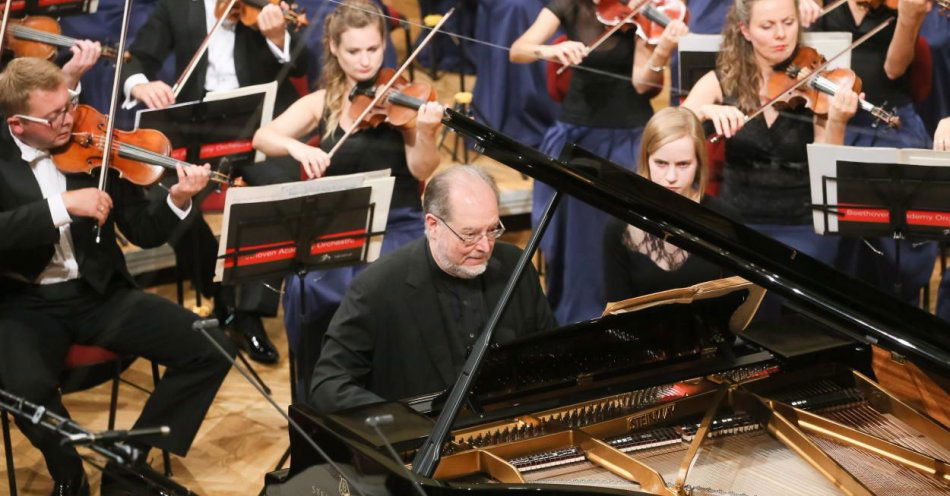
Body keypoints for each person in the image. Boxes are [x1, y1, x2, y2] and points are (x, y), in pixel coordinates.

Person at [0, 57, 234, 496]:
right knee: (26, 390)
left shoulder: (94, 145)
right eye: (53, 117)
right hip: (23, 303)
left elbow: (143, 232)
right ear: (17, 123)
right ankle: (69, 474)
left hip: (98, 293)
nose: (69, 121)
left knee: (212, 348)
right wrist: (61, 208)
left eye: (68, 106)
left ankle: (129, 462)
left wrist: (178, 199)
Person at [252, 0, 443, 397]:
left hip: (398, 226)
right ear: (335, 50)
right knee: (307, 290)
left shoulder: (402, 99)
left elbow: (422, 170)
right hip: (340, 230)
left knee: (384, 293)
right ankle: (324, 399)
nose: (364, 61)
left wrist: (425, 133)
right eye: (353, 51)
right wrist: (297, 148)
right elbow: (263, 138)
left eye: (373, 49)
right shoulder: (323, 103)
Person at [119, 0, 314, 364]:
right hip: (200, 129)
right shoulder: (175, 7)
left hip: (262, 126)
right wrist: (141, 86)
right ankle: (221, 293)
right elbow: (138, 59)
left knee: (279, 192)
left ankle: (249, 314)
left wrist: (277, 37)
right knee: (167, 200)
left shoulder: (266, 5)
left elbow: (302, 62)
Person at [309, 166, 557, 413]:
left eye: (492, 230)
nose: (484, 246)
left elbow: (550, 352)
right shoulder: (377, 287)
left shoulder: (515, 265)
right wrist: (400, 420)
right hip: (420, 440)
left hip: (507, 426)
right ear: (433, 225)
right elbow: (329, 385)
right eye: (469, 234)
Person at [509, 0, 690, 325]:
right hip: (575, 139)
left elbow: (642, 84)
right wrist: (548, 52)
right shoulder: (570, 5)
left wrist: (662, 50)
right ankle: (575, 321)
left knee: (626, 240)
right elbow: (518, 50)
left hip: (628, 141)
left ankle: (628, 320)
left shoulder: (644, 9)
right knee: (575, 245)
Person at [681, 0, 859, 268]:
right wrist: (705, 112)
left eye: (788, 23)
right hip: (736, 223)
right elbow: (674, 131)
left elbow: (828, 167)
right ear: (745, 30)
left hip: (802, 224)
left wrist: (837, 121)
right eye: (767, 26)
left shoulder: (816, 81)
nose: (781, 34)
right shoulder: (722, 81)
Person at [811, 0, 935, 306]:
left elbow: (894, 69)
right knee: (829, 207)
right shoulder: (821, 9)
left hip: (890, 123)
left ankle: (895, 306)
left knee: (895, 209)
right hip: (828, 119)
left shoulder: (898, 9)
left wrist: (908, 18)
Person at [603, 107, 729, 303]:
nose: (671, 177)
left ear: (699, 164)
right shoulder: (619, 226)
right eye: (661, 163)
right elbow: (616, 310)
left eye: (683, 164)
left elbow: (735, 304)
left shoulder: (724, 221)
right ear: (647, 160)